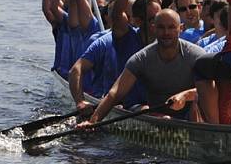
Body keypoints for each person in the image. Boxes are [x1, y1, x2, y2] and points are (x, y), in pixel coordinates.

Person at [77, 9, 206, 127]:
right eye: (161, 28)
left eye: (171, 27)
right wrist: (92, 122)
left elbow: (215, 87)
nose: (166, 33)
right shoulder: (142, 58)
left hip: (190, 117)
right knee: (150, 113)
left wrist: (186, 95)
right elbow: (115, 93)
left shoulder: (197, 55)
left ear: (181, 29)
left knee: (195, 106)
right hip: (155, 116)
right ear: (154, 28)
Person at [67, 0, 158, 114]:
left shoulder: (166, 42)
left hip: (152, 104)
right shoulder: (122, 37)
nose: (159, 23)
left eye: (160, 16)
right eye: (153, 19)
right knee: (146, 109)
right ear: (137, 21)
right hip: (123, 105)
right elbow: (75, 70)